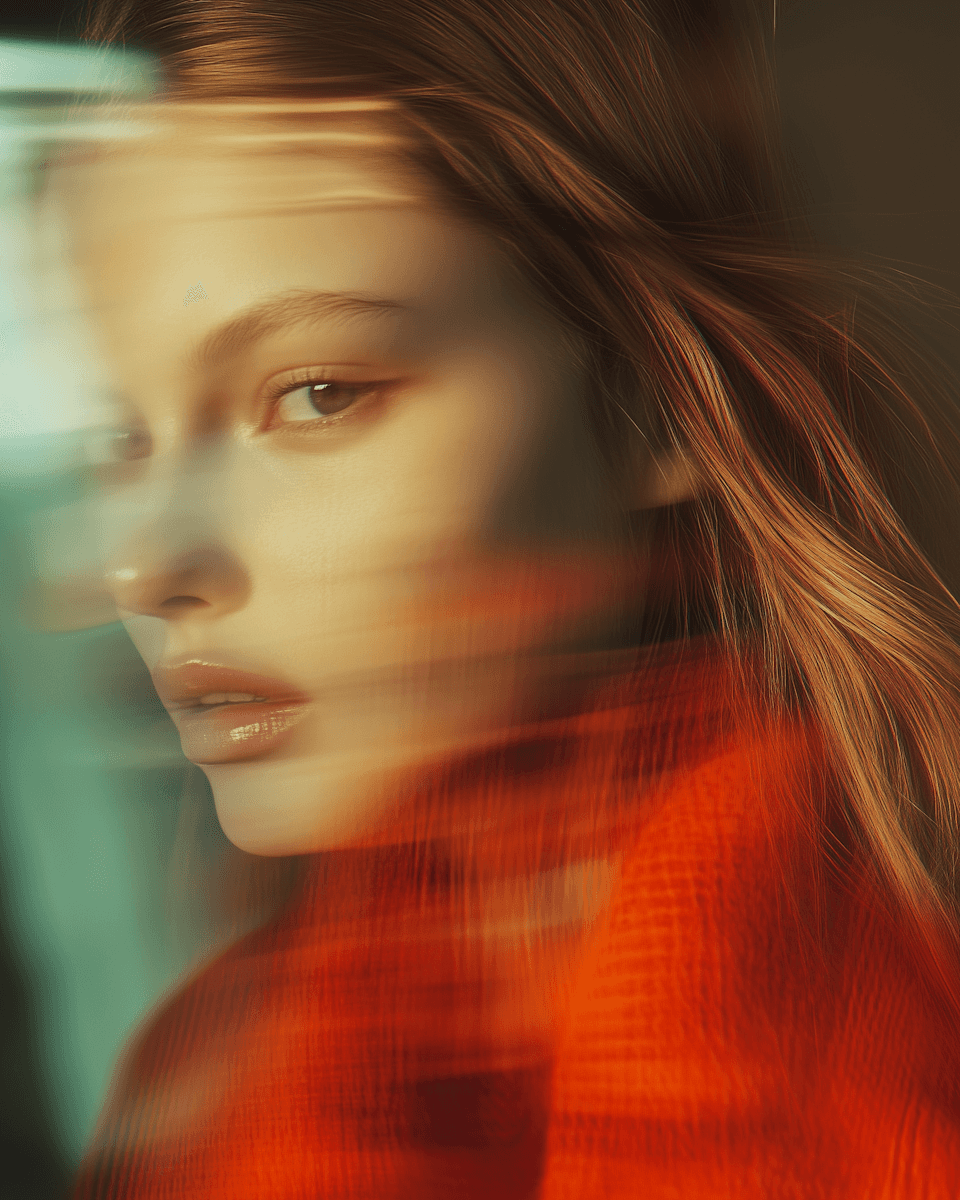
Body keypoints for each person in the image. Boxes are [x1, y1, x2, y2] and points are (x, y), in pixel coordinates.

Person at [51, 0, 960, 1195]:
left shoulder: (871, 1091)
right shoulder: (197, 1084)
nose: (146, 566)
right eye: (123, 435)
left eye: (318, 393)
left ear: (650, 404)